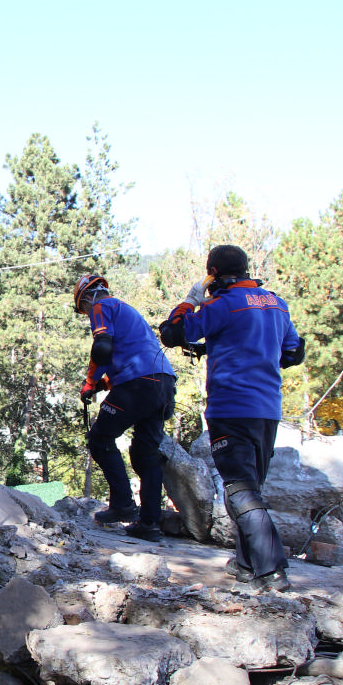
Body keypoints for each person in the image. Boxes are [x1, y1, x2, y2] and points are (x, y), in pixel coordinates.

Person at [158, 245, 305, 592]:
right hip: (267, 410)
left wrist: (190, 300)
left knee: (239, 489)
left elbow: (172, 332)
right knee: (249, 488)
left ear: (213, 274)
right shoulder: (275, 303)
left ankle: (271, 570)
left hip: (230, 408)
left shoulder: (221, 305)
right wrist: (223, 347)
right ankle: (245, 563)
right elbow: (293, 353)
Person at [73, 274, 177, 543]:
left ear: (86, 297)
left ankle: (122, 505)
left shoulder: (101, 306)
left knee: (99, 438)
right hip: (163, 381)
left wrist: (89, 383)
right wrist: (102, 384)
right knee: (145, 453)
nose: (86, 314)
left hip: (137, 383)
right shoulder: (127, 311)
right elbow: (125, 354)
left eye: (82, 309)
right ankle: (150, 523)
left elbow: (103, 348)